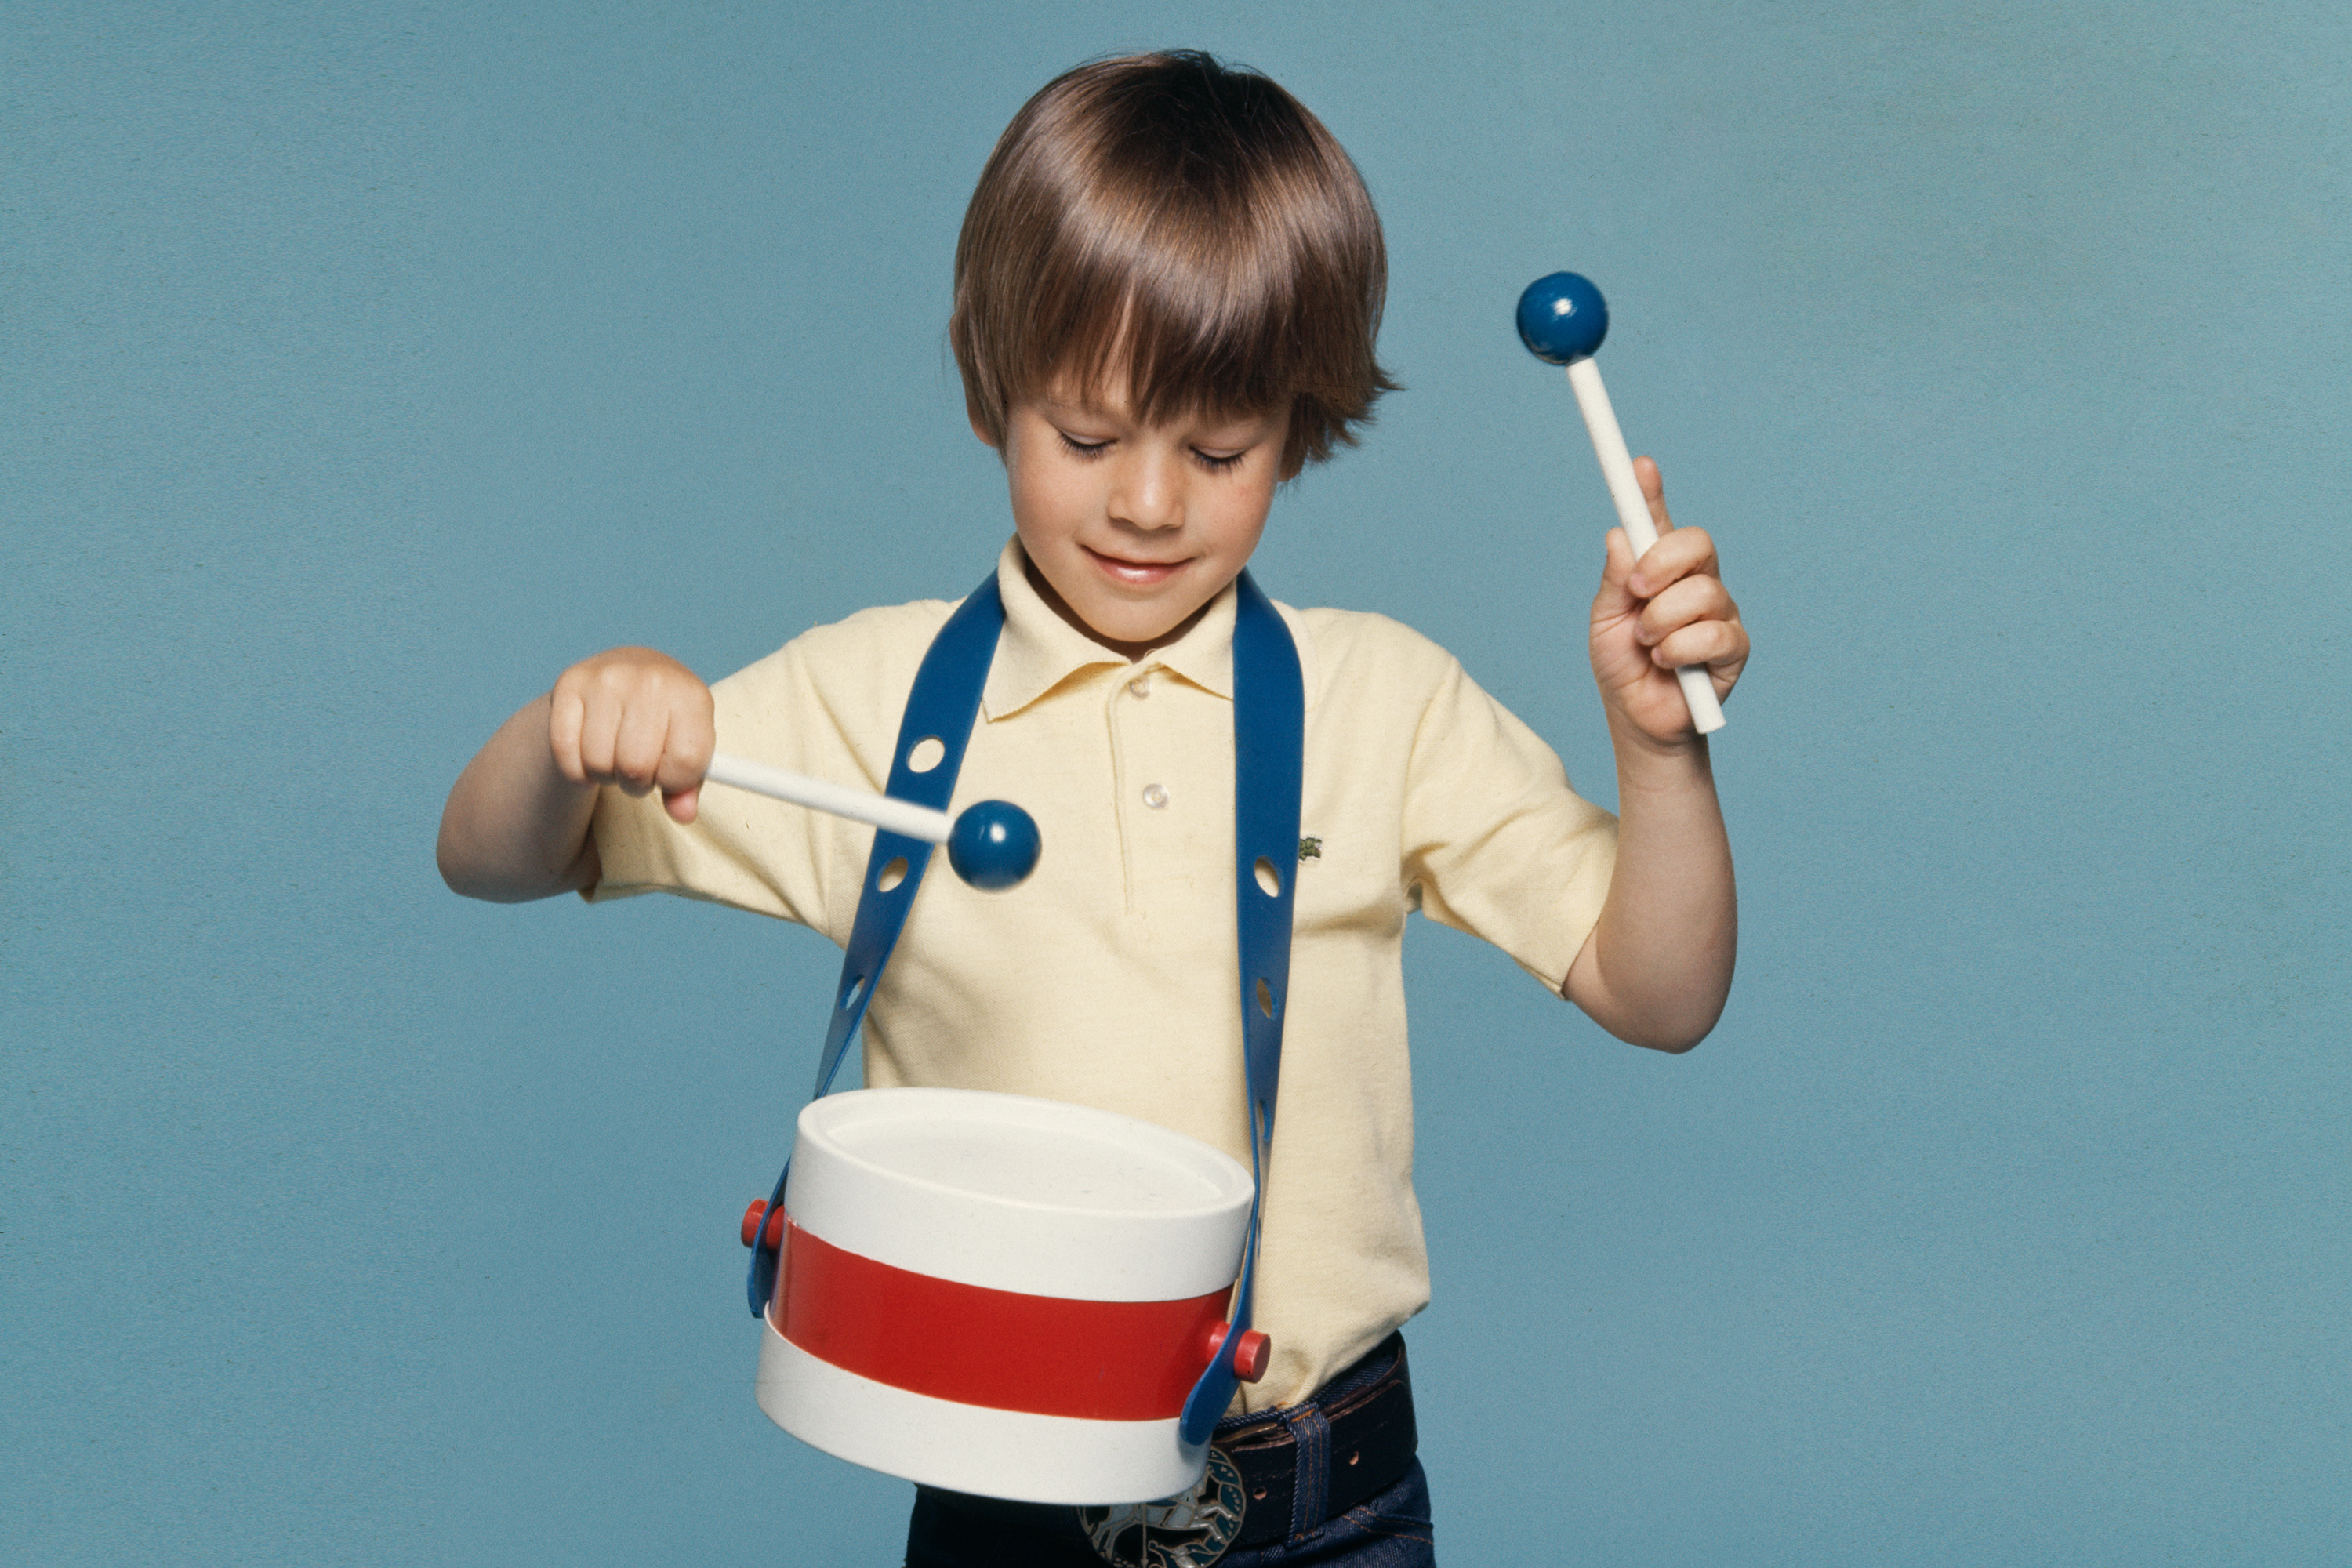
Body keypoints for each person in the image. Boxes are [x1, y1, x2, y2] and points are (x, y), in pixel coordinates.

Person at [437, 49, 1745, 1568]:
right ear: (993, 391)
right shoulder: (876, 702)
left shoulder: (1382, 701)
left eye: (1218, 451)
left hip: (1329, 1498)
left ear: (1299, 425)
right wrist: (572, 731)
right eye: (1087, 437)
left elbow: (1662, 997)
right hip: (1002, 1493)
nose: (1147, 504)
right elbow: (492, 858)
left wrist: (1659, 753)